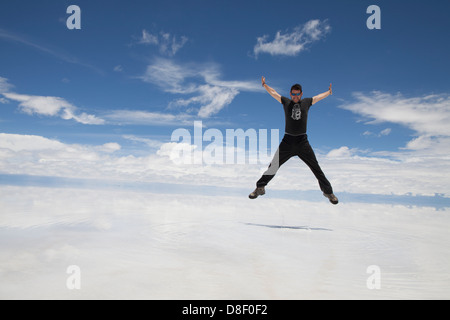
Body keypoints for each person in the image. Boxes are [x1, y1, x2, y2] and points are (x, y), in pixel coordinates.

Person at [249, 76, 338, 205]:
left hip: (302, 142)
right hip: (287, 141)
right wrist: (265, 85)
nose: (295, 96)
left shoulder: (307, 102)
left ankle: (329, 192)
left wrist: (328, 92)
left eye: (297, 93)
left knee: (316, 168)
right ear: (290, 94)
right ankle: (260, 187)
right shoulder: (286, 102)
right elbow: (274, 93)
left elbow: (318, 97)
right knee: (273, 166)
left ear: (301, 94)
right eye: (293, 93)